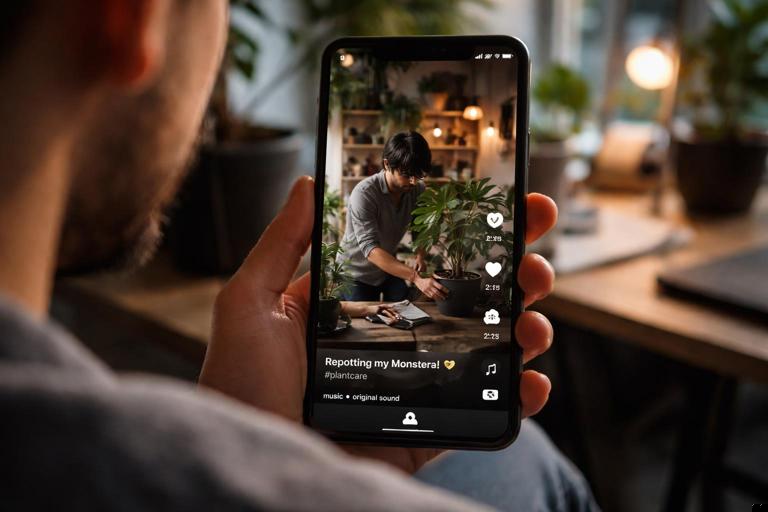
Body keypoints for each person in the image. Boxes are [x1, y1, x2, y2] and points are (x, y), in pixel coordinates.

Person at [0, 2, 599, 511]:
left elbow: (413, 242)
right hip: (357, 287)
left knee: (511, 429)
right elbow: (370, 254)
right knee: (536, 465)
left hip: (386, 306)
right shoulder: (364, 194)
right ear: (134, 15)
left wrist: (249, 431)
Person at [340, 131, 448, 302]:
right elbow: (371, 251)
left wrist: (420, 255)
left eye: (418, 175)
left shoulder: (417, 189)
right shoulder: (364, 193)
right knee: (367, 322)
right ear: (386, 164)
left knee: (408, 309)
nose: (413, 182)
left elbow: (420, 228)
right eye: (406, 175)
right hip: (354, 273)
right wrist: (416, 278)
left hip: (386, 270)